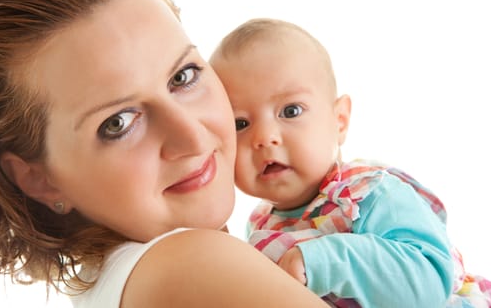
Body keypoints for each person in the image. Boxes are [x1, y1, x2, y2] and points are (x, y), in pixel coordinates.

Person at [0, 0, 333, 307]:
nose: (191, 137)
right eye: (118, 123)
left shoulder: (114, 282)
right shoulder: (192, 266)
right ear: (40, 179)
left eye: (183, 77)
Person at [209, 17, 491, 307]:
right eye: (240, 123)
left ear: (339, 121)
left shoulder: (370, 195)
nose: (265, 137)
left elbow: (431, 281)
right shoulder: (261, 227)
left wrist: (326, 260)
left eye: (290, 111)